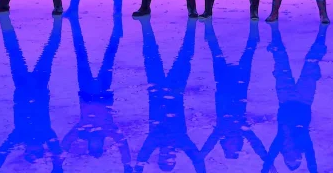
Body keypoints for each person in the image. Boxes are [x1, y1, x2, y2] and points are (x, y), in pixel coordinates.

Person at [0, 14, 64, 172]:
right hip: (38, 86)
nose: (33, 148)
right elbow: (57, 153)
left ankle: (7, 24)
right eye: (36, 151)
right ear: (40, 149)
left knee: (15, 52)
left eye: (31, 151)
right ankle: (58, 24)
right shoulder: (45, 134)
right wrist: (57, 168)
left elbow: (4, 149)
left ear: (27, 150)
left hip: (23, 86)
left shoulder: (19, 135)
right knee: (47, 52)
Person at [61, 14, 132, 172]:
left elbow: (66, 142)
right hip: (102, 92)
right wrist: (127, 164)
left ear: (89, 145)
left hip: (86, 91)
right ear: (101, 145)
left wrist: (58, 164)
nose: (95, 144)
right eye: (97, 146)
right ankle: (116, 31)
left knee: (81, 56)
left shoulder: (82, 130)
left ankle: (75, 27)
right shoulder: (108, 129)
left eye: (93, 147)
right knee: (108, 58)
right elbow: (123, 144)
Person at [134, 18, 206, 172]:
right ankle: (190, 27)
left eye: (165, 158)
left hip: (159, 90)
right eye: (170, 159)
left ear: (160, 155)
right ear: (174, 157)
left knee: (153, 55)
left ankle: (148, 26)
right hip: (174, 90)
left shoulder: (155, 140)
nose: (168, 154)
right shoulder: (180, 140)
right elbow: (197, 159)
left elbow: (141, 160)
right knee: (183, 57)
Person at [199, 20, 272, 165]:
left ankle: (209, 28)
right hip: (239, 85)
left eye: (230, 147)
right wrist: (268, 163)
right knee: (248, 53)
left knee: (216, 52)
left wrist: (199, 162)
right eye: (234, 147)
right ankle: (253, 28)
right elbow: (257, 145)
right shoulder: (242, 128)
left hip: (224, 84)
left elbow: (207, 147)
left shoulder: (220, 130)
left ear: (226, 144)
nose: (232, 144)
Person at [261, 22, 328, 173]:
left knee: (281, 64)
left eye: (289, 159)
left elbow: (270, 157)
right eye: (295, 158)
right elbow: (311, 160)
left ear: (284, 156)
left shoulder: (280, 141)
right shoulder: (304, 143)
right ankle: (322, 36)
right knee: (310, 65)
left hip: (285, 99)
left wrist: (265, 170)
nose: (292, 155)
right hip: (304, 100)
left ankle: (275, 35)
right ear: (299, 155)